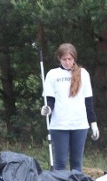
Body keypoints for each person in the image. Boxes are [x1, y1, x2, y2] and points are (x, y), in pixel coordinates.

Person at [41, 43, 99, 172]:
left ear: (74, 58)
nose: (67, 62)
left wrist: (93, 123)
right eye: (64, 59)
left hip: (80, 125)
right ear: (59, 59)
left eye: (70, 59)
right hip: (59, 125)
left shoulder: (83, 74)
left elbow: (88, 101)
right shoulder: (52, 74)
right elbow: (50, 100)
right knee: (60, 163)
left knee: (76, 164)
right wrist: (47, 109)